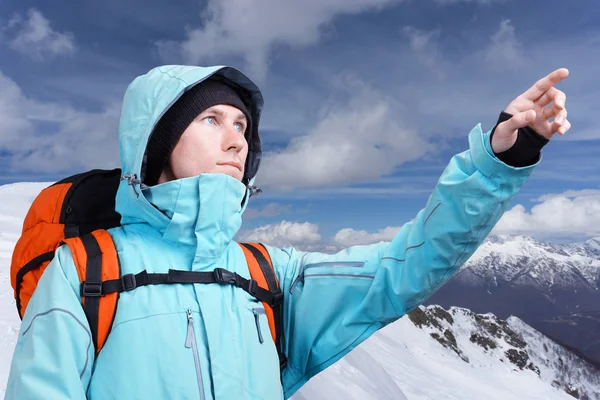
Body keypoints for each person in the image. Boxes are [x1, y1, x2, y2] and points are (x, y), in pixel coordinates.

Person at [6, 64, 570, 399]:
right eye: (210, 120)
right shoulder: (85, 270)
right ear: (156, 141)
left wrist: (497, 164)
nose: (236, 141)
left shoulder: (266, 274)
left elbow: (407, 266)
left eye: (242, 125)